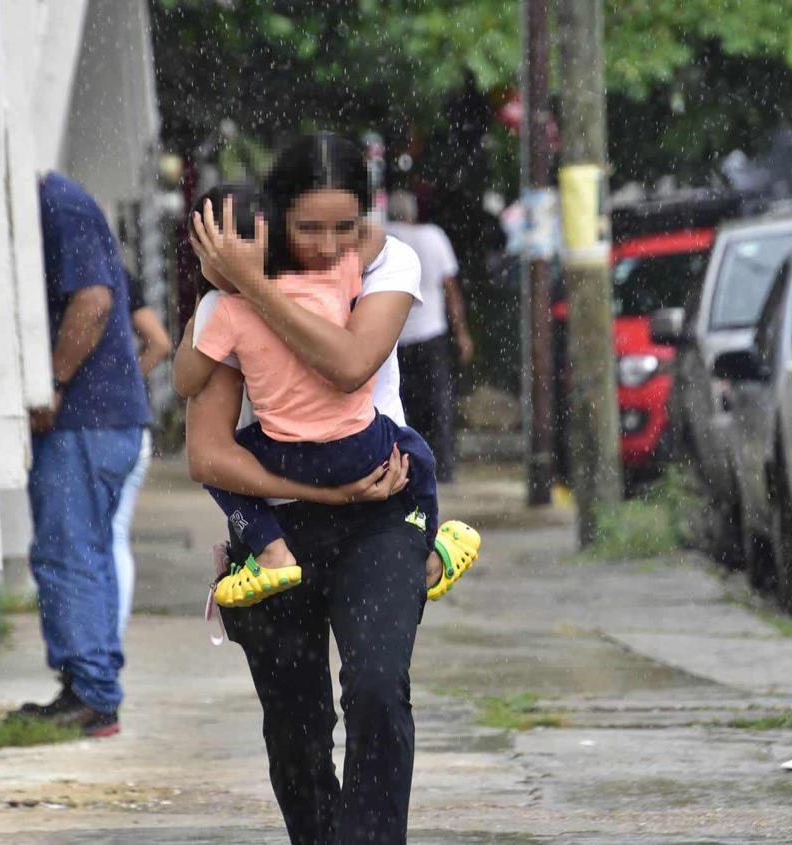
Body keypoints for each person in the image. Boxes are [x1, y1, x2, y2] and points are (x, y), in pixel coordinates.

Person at [184, 132, 474, 844]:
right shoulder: (223, 301)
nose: (327, 243)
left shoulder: (383, 263)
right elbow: (208, 452)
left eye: (344, 225)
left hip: (379, 510)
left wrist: (252, 287)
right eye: (307, 226)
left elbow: (349, 365)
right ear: (274, 218)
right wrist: (315, 498)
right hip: (279, 525)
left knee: (377, 688)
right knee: (296, 724)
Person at [179, 184, 475, 610]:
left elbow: (185, 383)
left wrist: (202, 308)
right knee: (417, 454)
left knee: (219, 469)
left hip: (283, 455)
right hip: (361, 448)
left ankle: (269, 549)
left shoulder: (224, 311)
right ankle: (429, 545)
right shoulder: (329, 279)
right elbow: (373, 241)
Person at [11, 172, 149, 737]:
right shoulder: (62, 200)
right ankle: (87, 686)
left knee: (70, 553)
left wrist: (53, 380)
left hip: (85, 419)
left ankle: (91, 693)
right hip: (98, 420)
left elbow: (92, 301)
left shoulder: (57, 203)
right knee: (78, 552)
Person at [386, 189, 474, 483]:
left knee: (399, 402)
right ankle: (444, 466)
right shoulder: (434, 236)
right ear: (414, 213)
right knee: (439, 402)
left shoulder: (385, 237)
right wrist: (462, 333)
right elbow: (451, 289)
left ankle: (405, 465)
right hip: (431, 333)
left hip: (393, 336)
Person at [111, 270, 172, 637]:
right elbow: (160, 342)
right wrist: (127, 382)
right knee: (116, 535)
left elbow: (160, 343)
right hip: (133, 425)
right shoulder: (118, 274)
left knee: (101, 538)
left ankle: (106, 638)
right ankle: (112, 634)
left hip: (103, 424)